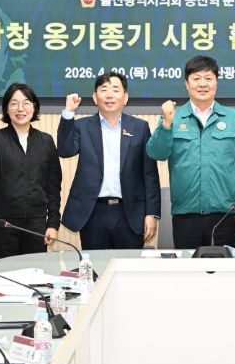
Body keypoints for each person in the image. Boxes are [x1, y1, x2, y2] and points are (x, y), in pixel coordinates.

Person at [146, 55, 235, 249]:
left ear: (216, 82)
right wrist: (166, 124)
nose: (202, 84)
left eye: (208, 78)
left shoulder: (233, 118)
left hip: (224, 215)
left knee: (223, 266)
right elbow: (156, 153)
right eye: (196, 78)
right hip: (185, 215)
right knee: (188, 267)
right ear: (186, 84)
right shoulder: (173, 117)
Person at [57, 71, 160, 250]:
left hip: (130, 212)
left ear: (125, 98)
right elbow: (65, 151)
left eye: (115, 90)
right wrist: (68, 112)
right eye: (104, 90)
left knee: (128, 265)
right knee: (95, 265)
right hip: (93, 212)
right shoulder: (82, 126)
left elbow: (149, 174)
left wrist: (151, 213)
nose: (110, 95)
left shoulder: (140, 127)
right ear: (95, 98)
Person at [0, 83, 62, 265]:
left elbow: (53, 187)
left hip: (36, 226)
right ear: (6, 109)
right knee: (2, 278)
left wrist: (53, 224)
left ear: (34, 107)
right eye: (14, 103)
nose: (20, 109)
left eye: (26, 103)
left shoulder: (46, 141)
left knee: (35, 277)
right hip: (2, 225)